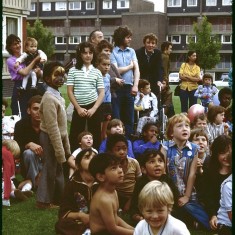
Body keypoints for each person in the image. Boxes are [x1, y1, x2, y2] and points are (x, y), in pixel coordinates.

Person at [162, 114, 210, 230]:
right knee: (169, 209)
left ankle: (208, 222)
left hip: (187, 192)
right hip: (169, 191)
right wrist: (171, 195)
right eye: (180, 126)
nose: (185, 128)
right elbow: (163, 173)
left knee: (188, 207)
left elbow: (192, 174)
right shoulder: (165, 147)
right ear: (171, 133)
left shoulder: (194, 149)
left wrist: (187, 196)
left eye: (187, 126)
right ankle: (191, 222)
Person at [36, 62, 71, 209]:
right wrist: (59, 149)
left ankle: (57, 198)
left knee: (57, 169)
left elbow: (62, 126)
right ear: (47, 79)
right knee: (50, 168)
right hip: (51, 138)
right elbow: (53, 127)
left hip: (58, 137)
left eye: (63, 74)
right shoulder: (49, 98)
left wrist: (66, 146)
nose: (61, 78)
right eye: (57, 74)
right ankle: (43, 202)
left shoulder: (58, 96)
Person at [67, 41, 105, 152]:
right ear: (80, 55)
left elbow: (101, 92)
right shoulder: (73, 71)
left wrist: (94, 108)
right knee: (75, 134)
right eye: (85, 53)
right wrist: (78, 108)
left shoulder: (97, 71)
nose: (88, 55)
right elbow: (70, 91)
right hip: (79, 106)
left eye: (90, 53)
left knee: (95, 135)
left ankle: (94, 158)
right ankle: (74, 159)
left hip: (93, 106)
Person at [130, 149, 180, 225]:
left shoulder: (167, 180)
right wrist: (137, 216)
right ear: (143, 169)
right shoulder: (141, 183)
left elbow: (175, 199)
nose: (157, 164)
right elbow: (135, 203)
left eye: (160, 161)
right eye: (152, 162)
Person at [55, 148, 99, 235]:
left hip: (99, 219)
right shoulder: (71, 185)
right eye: (87, 157)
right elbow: (64, 213)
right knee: (61, 224)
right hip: (79, 221)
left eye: (94, 157)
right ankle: (87, 232)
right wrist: (80, 215)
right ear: (78, 165)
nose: (92, 159)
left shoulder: (102, 182)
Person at [89, 153, 134, 235]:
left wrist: (134, 229)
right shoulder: (103, 199)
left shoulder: (113, 191)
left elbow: (115, 218)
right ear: (101, 177)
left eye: (119, 166)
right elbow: (113, 229)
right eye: (114, 168)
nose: (120, 170)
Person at [110, 25, 140, 138]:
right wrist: (130, 66)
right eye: (127, 37)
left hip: (129, 88)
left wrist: (135, 86)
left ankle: (127, 142)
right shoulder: (113, 52)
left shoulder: (131, 51)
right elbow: (116, 70)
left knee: (130, 119)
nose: (130, 39)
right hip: (116, 89)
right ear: (121, 38)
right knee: (117, 118)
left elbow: (137, 69)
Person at [6, 34, 42, 118]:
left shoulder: (26, 56)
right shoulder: (11, 61)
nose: (18, 45)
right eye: (15, 44)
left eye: (19, 43)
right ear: (10, 47)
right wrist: (35, 60)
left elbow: (39, 73)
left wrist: (39, 71)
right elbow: (24, 72)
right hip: (20, 87)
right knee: (20, 113)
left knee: (34, 113)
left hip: (32, 86)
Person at [203, 135, 232, 232]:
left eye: (229, 152)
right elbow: (208, 197)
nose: (226, 156)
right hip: (216, 210)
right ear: (216, 154)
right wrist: (213, 215)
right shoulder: (210, 171)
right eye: (222, 153)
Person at [106, 134, 142, 212]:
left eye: (124, 149)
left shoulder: (134, 163)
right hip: (116, 195)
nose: (122, 152)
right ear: (110, 151)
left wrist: (131, 200)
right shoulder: (109, 166)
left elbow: (140, 183)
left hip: (133, 195)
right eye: (118, 149)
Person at [14, 95, 43, 190]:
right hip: (28, 164)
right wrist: (28, 145)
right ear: (28, 111)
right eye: (35, 109)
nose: (38, 112)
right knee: (29, 153)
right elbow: (15, 151)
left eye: (41, 108)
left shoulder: (50, 125)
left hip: (46, 163)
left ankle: (31, 184)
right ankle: (34, 184)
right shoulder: (20, 125)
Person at [2, 140, 34, 206]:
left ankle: (23, 191)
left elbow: (15, 174)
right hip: (5, 184)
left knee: (29, 181)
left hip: (13, 183)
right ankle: (15, 194)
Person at [189, 128, 210, 204]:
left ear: (207, 144)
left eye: (203, 140)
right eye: (197, 139)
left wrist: (201, 171)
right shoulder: (187, 160)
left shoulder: (211, 161)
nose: (200, 142)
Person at [96, 53, 112, 140]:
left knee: (105, 130)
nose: (106, 67)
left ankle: (103, 144)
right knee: (98, 127)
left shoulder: (108, 76)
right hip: (99, 104)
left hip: (107, 104)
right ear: (98, 64)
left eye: (108, 65)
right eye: (104, 64)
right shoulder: (95, 76)